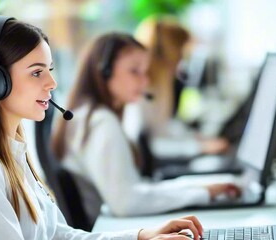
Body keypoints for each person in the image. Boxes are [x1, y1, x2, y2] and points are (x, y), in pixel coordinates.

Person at [0, 15, 208, 240]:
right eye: (36, 72)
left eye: (50, 69)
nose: (52, 83)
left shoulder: (11, 153)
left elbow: (59, 235)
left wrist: (140, 236)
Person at [51, 33, 240, 224]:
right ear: (104, 72)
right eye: (134, 71)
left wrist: (199, 187)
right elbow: (126, 203)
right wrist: (201, 193)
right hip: (110, 227)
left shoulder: (88, 115)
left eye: (145, 71)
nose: (145, 81)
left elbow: (135, 190)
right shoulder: (101, 123)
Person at [125, 16, 229, 158]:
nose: (183, 60)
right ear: (171, 52)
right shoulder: (139, 89)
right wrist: (198, 147)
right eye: (181, 53)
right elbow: (148, 144)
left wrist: (194, 137)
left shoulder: (163, 83)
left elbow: (163, 127)